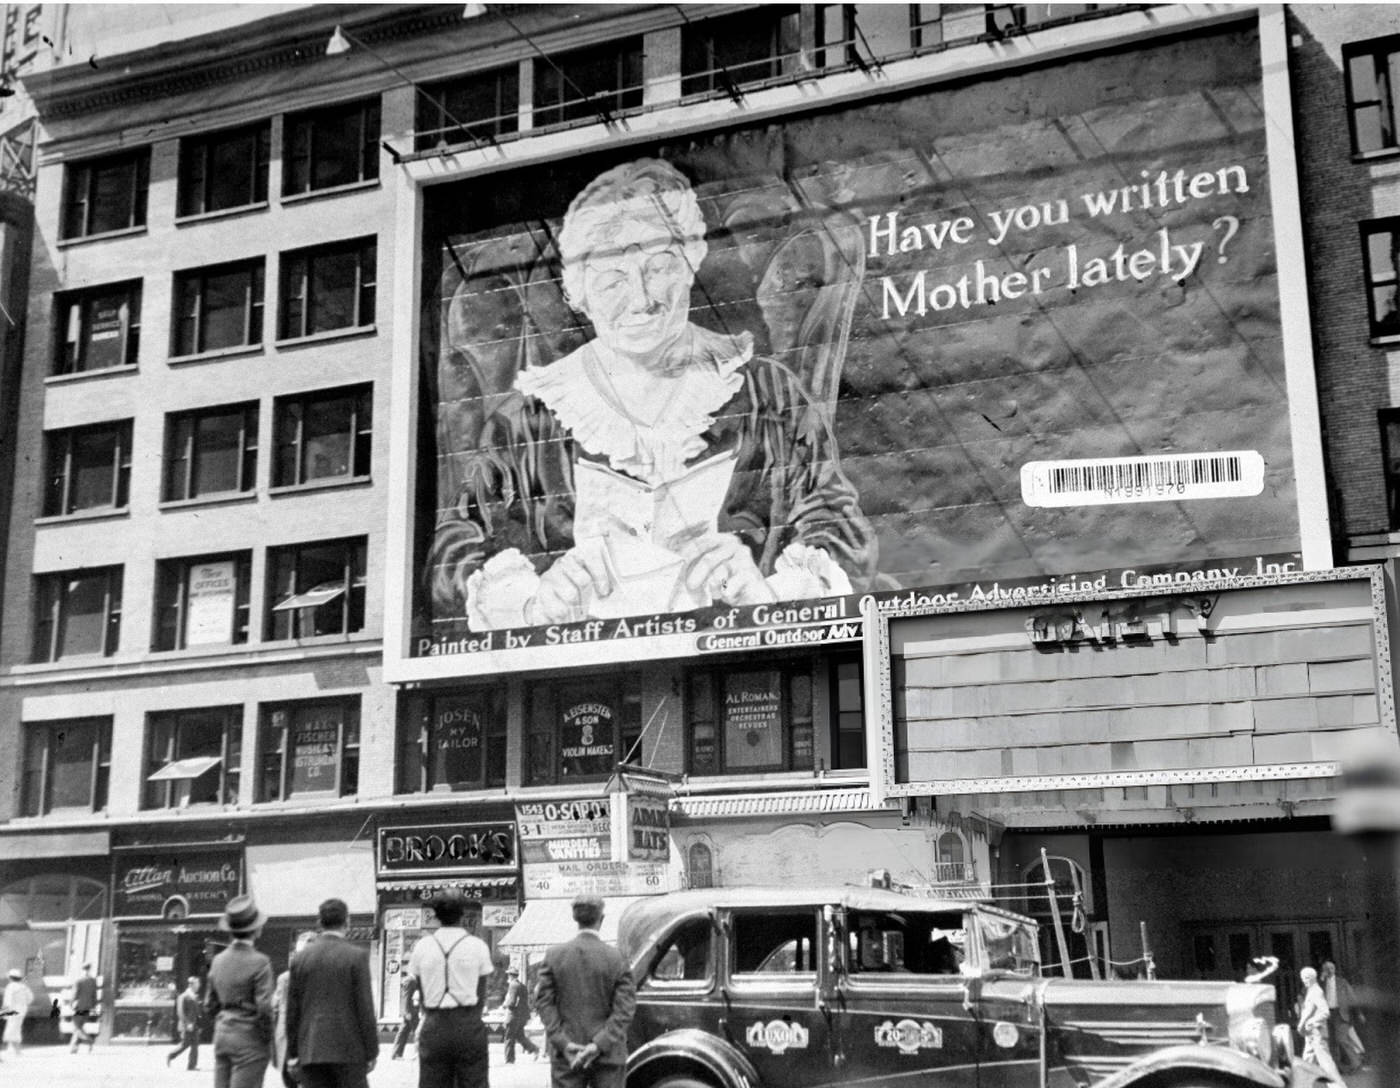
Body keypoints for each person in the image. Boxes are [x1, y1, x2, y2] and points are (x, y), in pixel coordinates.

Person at [430, 157, 875, 632]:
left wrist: (768, 596)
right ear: (578, 292)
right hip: (576, 681)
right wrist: (531, 602)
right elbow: (453, 549)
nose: (641, 299)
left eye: (659, 267)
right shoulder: (527, 421)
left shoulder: (769, 393)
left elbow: (838, 524)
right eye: (613, 279)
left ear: (690, 264)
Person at [534, 894, 636, 1088]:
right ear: (602, 919)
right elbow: (625, 1010)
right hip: (609, 1055)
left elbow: (543, 1003)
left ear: (575, 918)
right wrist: (599, 1044)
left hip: (567, 1056)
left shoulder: (554, 956)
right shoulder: (617, 958)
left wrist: (563, 1042)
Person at [285, 898, 379, 1088]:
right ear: (347, 921)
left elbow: (292, 1011)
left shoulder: (300, 959)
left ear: (319, 922)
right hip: (350, 1050)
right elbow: (365, 1007)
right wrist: (371, 1051)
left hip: (311, 1050)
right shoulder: (356, 956)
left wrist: (293, 1053)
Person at [405, 890, 494, 1088]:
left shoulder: (422, 947)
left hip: (434, 1024)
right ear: (462, 913)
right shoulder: (477, 946)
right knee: (474, 1082)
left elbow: (419, 987)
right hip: (468, 1024)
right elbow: (481, 992)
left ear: (435, 916)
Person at [205, 894, 275, 1088]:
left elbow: (209, 1005)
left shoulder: (217, 961)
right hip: (250, 1040)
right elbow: (265, 1009)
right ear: (255, 930)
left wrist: (224, 1021)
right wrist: (267, 1040)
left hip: (222, 1035)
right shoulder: (260, 962)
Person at [274, 932, 316, 1087]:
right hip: (299, 1042)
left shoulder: (284, 978)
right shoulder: (285, 979)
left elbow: (275, 1009)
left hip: (295, 1042)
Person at [1297, 966, 1347, 1087]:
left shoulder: (1316, 992)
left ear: (1314, 978)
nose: (1304, 980)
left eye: (1307, 977)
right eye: (1303, 978)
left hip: (1316, 1033)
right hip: (1311, 1034)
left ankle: (1338, 1085)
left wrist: (1312, 1022)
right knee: (1307, 1061)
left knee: (1325, 1063)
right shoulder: (1311, 991)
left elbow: (1325, 1012)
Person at [1321, 961, 1367, 1072]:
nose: (1330, 970)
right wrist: (1321, 980)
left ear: (1335, 969)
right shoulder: (1321, 983)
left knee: (1341, 1039)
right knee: (1332, 1042)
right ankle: (1337, 1067)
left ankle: (1356, 1063)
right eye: (1327, 968)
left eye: (1332, 968)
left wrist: (1359, 1013)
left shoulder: (1342, 982)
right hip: (1327, 1014)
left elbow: (1352, 998)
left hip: (1340, 1013)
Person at [501, 966, 538, 1063]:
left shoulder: (513, 985)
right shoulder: (522, 986)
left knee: (509, 1037)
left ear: (510, 976)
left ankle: (509, 1059)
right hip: (522, 1016)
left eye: (508, 975)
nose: (507, 977)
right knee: (519, 1036)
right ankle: (534, 1049)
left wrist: (504, 1005)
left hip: (513, 1015)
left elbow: (512, 1002)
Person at [167, 976, 203, 1070]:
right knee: (185, 1044)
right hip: (186, 1025)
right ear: (192, 985)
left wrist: (198, 1023)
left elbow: (196, 1012)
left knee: (195, 1045)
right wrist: (187, 1024)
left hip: (194, 1024)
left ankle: (192, 1065)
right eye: (197, 983)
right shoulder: (183, 996)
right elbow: (180, 1012)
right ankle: (171, 1055)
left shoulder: (195, 996)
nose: (199, 985)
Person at [390, 966, 421, 1061]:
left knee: (403, 1032)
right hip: (410, 1011)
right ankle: (418, 1054)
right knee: (418, 1031)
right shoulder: (410, 981)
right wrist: (406, 1012)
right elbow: (405, 997)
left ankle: (396, 1054)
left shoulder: (412, 981)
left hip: (411, 1011)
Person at [68, 962, 99, 1054]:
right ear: (90, 969)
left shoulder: (79, 980)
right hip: (88, 1007)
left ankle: (89, 1041)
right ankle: (74, 1048)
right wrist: (93, 1006)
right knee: (79, 1027)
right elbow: (95, 995)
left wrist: (70, 1003)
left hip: (79, 1007)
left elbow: (75, 994)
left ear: (82, 969)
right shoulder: (93, 980)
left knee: (77, 1027)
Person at [2, 967, 32, 1058]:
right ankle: (11, 1049)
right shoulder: (24, 987)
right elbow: (30, 998)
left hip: (12, 1010)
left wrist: (4, 1011)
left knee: (12, 1029)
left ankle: (17, 1051)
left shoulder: (10, 987)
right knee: (16, 1027)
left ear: (11, 977)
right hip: (22, 1010)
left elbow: (8, 1001)